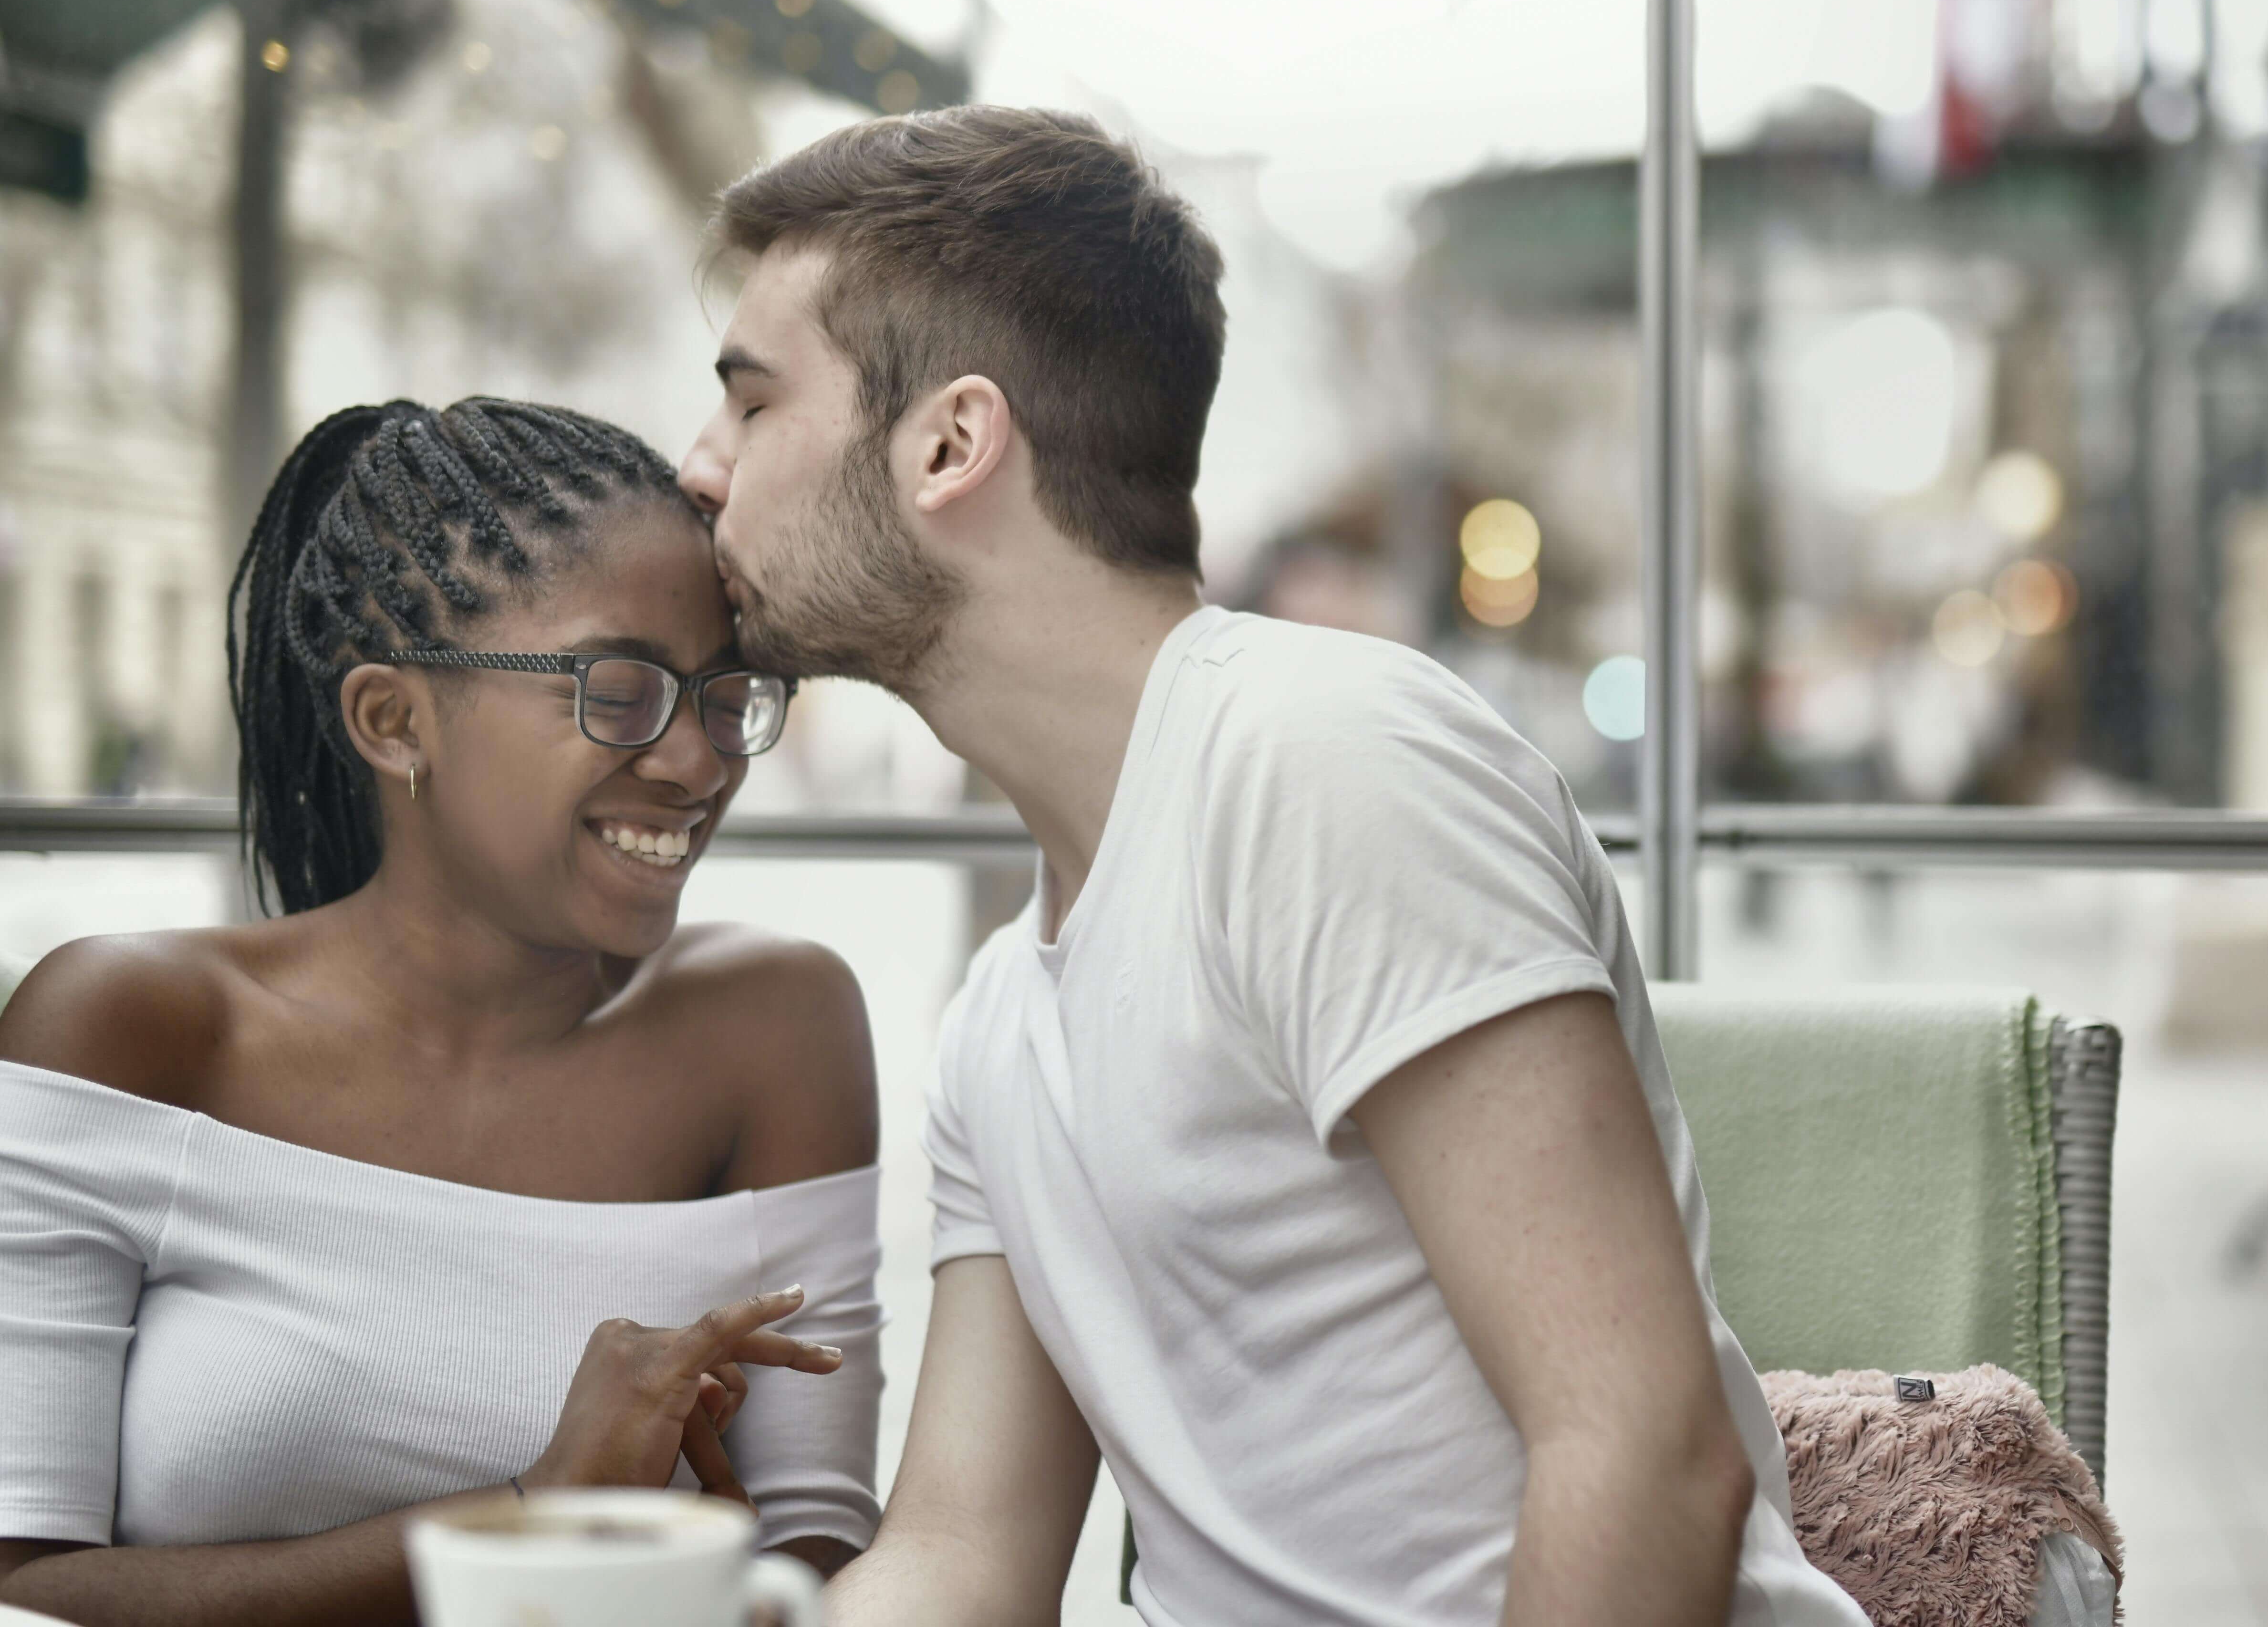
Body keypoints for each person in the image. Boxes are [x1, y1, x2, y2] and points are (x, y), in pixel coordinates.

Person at [677, 107, 1870, 1627]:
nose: (701, 467)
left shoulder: (1326, 768)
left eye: (752, 404)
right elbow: (960, 1560)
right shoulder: (999, 1019)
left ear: (952, 445)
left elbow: (1642, 1459)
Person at [0, 399, 884, 1626]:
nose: (699, 763)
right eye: (618, 689)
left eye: (724, 695)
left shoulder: (776, 1033)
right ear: (393, 720)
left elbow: (822, 1559)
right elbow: (23, 1586)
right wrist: (535, 1511)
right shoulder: (129, 1029)